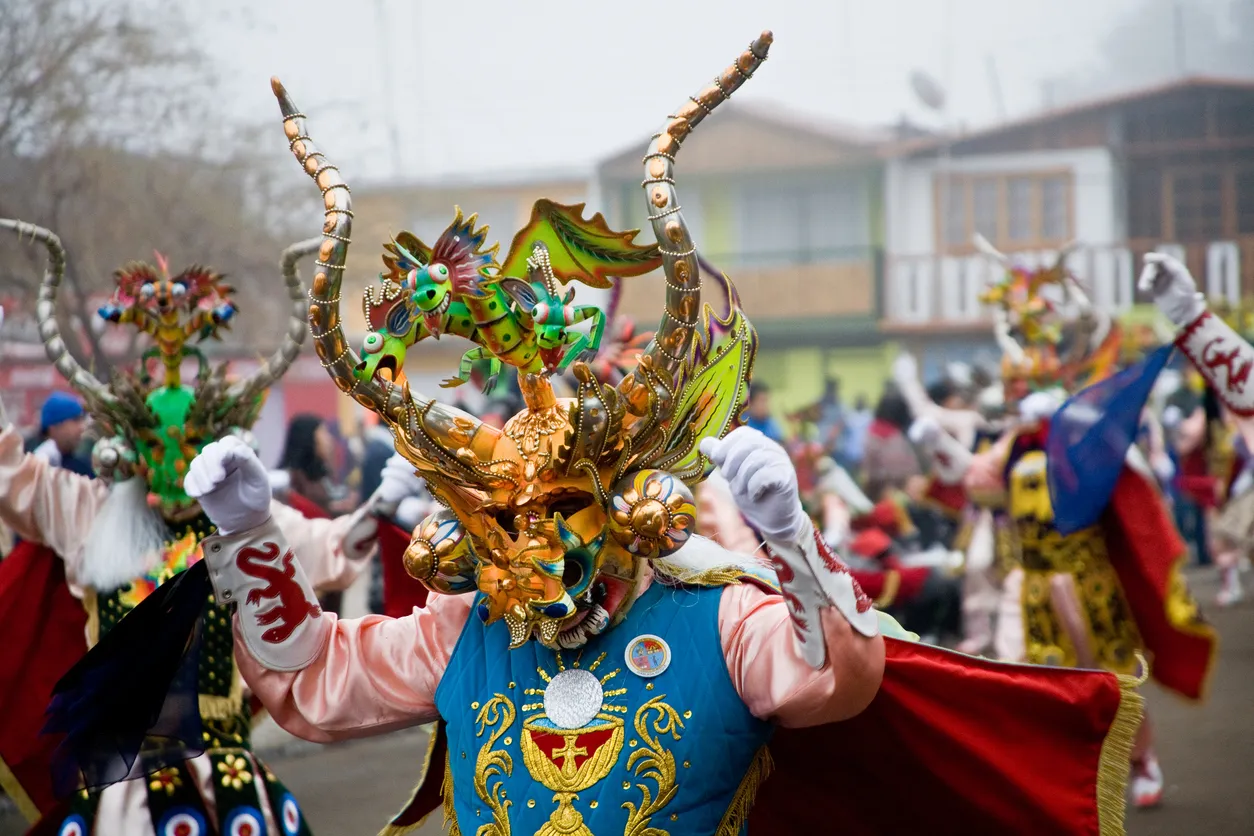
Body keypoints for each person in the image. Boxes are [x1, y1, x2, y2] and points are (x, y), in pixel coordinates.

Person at [53, 41, 1148, 835]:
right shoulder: (465, 626)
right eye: (504, 521)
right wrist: (246, 534)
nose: (530, 550)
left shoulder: (721, 616)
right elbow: (314, 686)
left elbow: (835, 678)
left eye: (556, 514)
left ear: (625, 498)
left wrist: (793, 536)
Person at [0, 222, 394, 835]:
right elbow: (10, 477)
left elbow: (332, 547)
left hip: (227, 785)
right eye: (156, 443)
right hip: (117, 795)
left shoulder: (242, 525)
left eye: (189, 447)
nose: (172, 464)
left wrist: (379, 512)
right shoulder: (90, 512)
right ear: (130, 442)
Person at [962, 237, 1218, 811]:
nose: (1020, 392)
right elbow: (982, 490)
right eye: (1016, 386)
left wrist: (1070, 429)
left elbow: (1131, 495)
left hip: (1088, 583)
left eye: (1029, 385)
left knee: (1113, 679)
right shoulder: (1010, 449)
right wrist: (992, 440)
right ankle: (1057, 780)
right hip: (1032, 586)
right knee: (1040, 686)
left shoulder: (1083, 442)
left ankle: (1143, 759)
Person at [28, 392, 92, 477]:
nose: (81, 427)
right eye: (75, 420)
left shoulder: (82, 467)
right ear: (55, 426)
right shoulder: (33, 462)